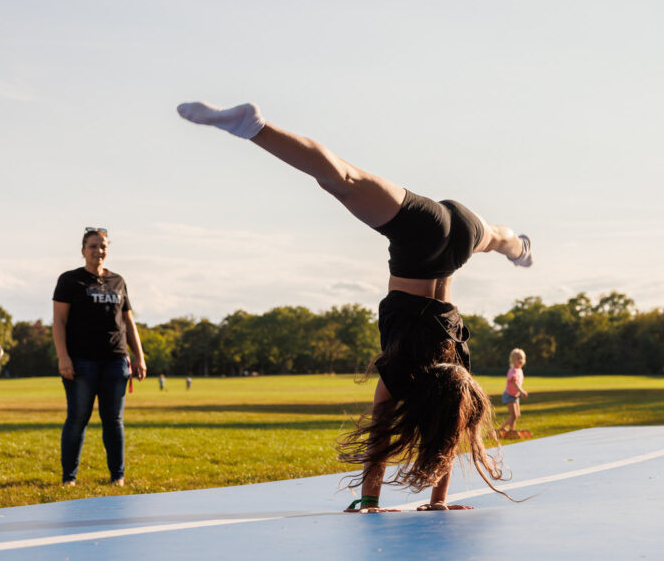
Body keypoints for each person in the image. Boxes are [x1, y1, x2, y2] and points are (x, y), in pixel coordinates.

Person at [178, 101, 532, 512]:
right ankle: (253, 126)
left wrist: (441, 500)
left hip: (462, 236)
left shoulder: (458, 375)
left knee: (495, 237)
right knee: (342, 179)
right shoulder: (403, 374)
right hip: (421, 240)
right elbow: (381, 435)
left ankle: (519, 248)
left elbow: (448, 430)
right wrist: (370, 499)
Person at [52, 228, 147, 486]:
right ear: (83, 250)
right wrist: (63, 357)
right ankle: (69, 478)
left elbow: (128, 321)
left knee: (113, 420)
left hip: (116, 360)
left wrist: (139, 356)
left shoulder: (118, 280)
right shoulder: (70, 280)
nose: (98, 251)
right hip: (81, 361)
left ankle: (118, 476)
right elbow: (59, 321)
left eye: (103, 246)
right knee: (78, 417)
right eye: (93, 246)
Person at [498, 348, 530, 439]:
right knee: (514, 415)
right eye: (517, 358)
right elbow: (514, 383)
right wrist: (521, 391)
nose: (520, 360)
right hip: (509, 395)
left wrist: (520, 392)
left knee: (517, 415)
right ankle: (511, 430)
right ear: (512, 360)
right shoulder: (513, 370)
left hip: (515, 396)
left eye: (522, 358)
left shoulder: (519, 370)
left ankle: (503, 428)